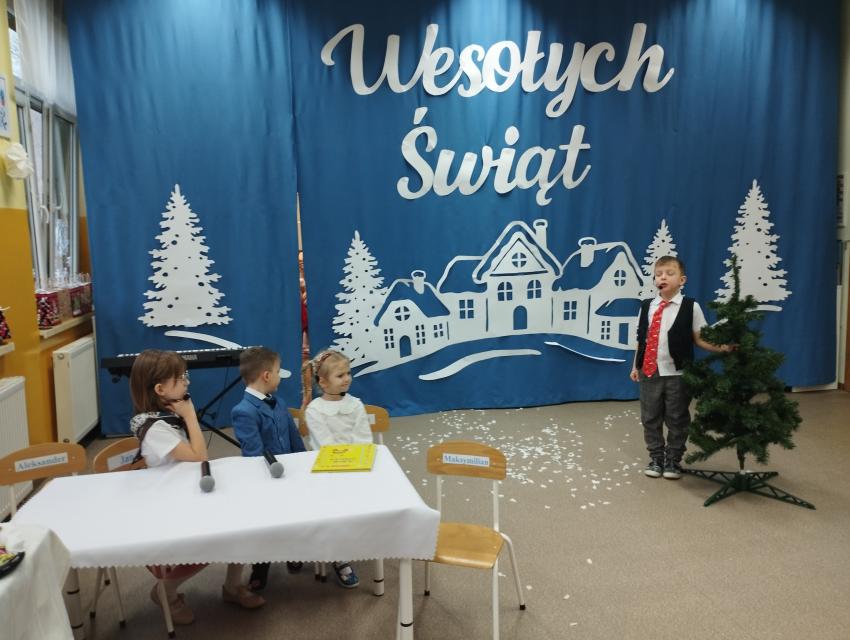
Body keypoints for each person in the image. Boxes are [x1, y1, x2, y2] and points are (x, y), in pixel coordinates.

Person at [128, 349, 265, 625]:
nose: (187, 382)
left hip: (188, 489)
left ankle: (232, 587)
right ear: (160, 389)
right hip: (171, 503)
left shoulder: (167, 414)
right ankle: (165, 592)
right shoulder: (154, 428)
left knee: (243, 518)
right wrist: (191, 416)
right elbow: (199, 456)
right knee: (214, 540)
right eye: (181, 378)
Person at [630, 257, 735, 480]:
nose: (663, 277)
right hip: (650, 371)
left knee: (677, 418)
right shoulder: (647, 306)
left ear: (682, 280)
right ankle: (656, 458)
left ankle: (673, 459)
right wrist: (635, 366)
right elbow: (641, 340)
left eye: (669, 273)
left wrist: (723, 348)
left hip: (678, 373)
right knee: (650, 417)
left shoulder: (690, 307)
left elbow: (700, 338)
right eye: (659, 274)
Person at [231, 346, 307, 590]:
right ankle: (261, 566)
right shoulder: (243, 411)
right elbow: (254, 454)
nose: (279, 375)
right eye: (277, 371)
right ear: (266, 376)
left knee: (294, 516)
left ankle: (293, 551)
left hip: (292, 472)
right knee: (266, 523)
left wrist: (305, 462)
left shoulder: (279, 402)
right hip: (266, 478)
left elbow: (293, 436)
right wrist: (274, 479)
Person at [304, 348, 372, 588]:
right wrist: (346, 463)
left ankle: (359, 539)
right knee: (333, 508)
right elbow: (325, 445)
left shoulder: (356, 405)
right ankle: (338, 556)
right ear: (323, 382)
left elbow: (363, 439)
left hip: (355, 466)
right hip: (328, 471)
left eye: (348, 373)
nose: (347, 379)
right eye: (340, 375)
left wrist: (354, 463)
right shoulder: (315, 410)